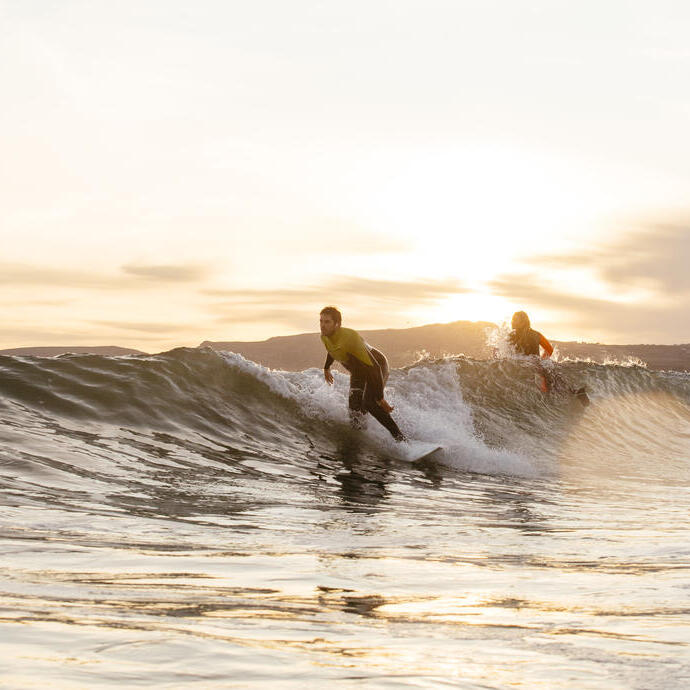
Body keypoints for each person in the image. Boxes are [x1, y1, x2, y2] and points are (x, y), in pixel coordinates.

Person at [319, 306, 406, 441]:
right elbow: (332, 350)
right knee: (354, 409)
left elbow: (375, 367)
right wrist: (326, 368)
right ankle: (362, 438)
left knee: (369, 402)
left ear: (337, 324)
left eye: (327, 322)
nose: (322, 325)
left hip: (377, 366)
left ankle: (400, 438)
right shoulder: (325, 337)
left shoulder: (350, 338)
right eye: (321, 321)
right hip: (358, 372)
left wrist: (380, 398)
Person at [508, 311, 554, 392]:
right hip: (537, 368)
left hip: (522, 370)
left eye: (515, 320)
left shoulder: (512, 336)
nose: (512, 322)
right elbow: (550, 349)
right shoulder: (537, 334)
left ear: (522, 322)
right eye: (512, 319)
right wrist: (541, 360)